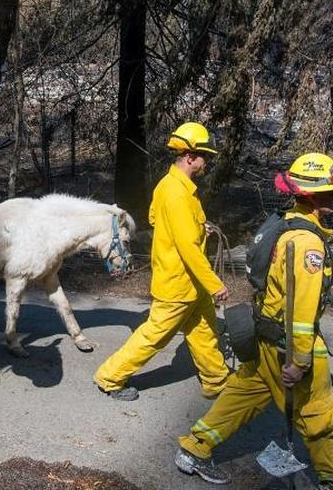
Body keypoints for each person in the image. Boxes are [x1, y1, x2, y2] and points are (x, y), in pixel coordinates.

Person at [173, 153, 333, 490]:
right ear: (314, 197)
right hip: (288, 342)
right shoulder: (308, 245)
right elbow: (301, 311)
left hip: (265, 335)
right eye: (332, 192)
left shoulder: (286, 223)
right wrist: (300, 360)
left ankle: (195, 448)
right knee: (319, 412)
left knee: (243, 394)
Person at [93, 122, 231, 401]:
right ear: (190, 157)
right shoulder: (177, 193)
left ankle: (217, 381)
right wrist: (215, 284)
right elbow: (188, 248)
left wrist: (196, 226)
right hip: (178, 283)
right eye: (205, 156)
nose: (207, 162)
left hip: (190, 284)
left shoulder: (170, 185)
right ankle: (110, 377)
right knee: (154, 335)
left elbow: (157, 218)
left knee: (204, 330)